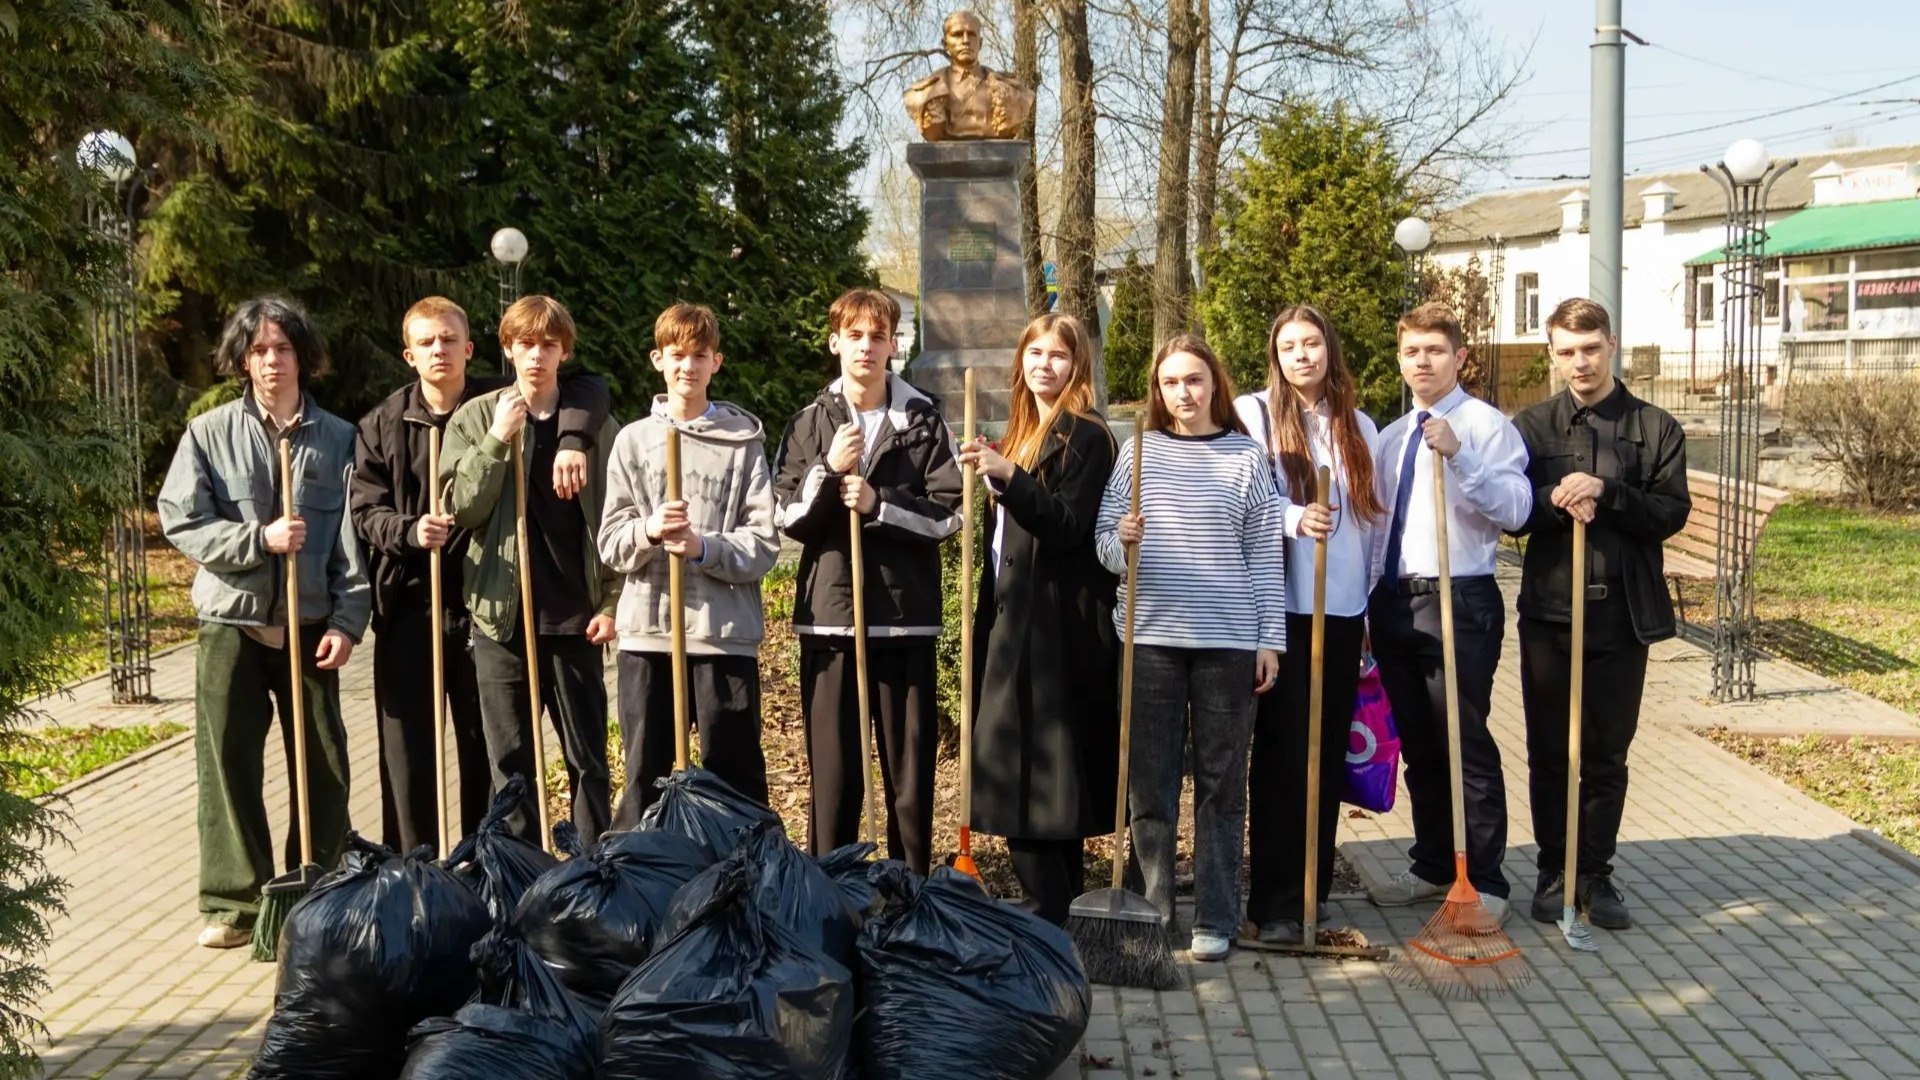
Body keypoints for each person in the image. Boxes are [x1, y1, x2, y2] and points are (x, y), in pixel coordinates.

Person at [351, 296, 609, 854]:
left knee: (541, 754)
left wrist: (572, 439)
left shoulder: (556, 410)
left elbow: (591, 391)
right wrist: (411, 529)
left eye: (448, 340)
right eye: (427, 342)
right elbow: (384, 510)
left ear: (470, 349)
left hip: (537, 611)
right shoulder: (400, 422)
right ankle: (426, 869)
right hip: (438, 606)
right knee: (440, 752)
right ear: (409, 354)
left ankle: (543, 871)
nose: (438, 350)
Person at [158, 296, 370, 949]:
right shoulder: (210, 433)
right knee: (228, 762)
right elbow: (182, 520)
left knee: (325, 764)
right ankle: (234, 902)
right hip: (232, 621)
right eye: (258, 351)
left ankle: (318, 891)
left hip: (309, 627)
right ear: (242, 361)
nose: (270, 361)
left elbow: (351, 544)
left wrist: (348, 619)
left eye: (281, 348)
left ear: (302, 355)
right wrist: (259, 539)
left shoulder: (339, 439)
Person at [1094, 334, 1285, 963]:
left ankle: (1217, 915)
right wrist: (1120, 538)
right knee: (1149, 784)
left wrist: (1269, 640)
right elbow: (1103, 545)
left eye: (1194, 380)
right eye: (1172, 382)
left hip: (1228, 644)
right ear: (1158, 389)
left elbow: (1263, 553)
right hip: (1149, 639)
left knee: (1221, 783)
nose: (1184, 392)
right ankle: (1153, 909)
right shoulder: (1137, 453)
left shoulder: (1246, 458)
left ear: (1214, 385)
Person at [1511, 297, 1689, 931]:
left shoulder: (1654, 427)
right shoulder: (1532, 427)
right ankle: (1554, 870)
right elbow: (1513, 514)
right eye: (1566, 352)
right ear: (1553, 354)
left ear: (1611, 345)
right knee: (1550, 751)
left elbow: (1670, 514)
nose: (1578, 362)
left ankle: (1597, 874)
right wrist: (1555, 500)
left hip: (1621, 617)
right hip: (1550, 616)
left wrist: (1608, 493)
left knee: (1606, 753)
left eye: (1589, 349)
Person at [773, 287, 962, 876]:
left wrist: (880, 503)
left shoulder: (923, 419)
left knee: (909, 778)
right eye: (854, 335)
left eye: (877, 336)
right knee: (834, 774)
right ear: (835, 343)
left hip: (905, 619)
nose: (866, 346)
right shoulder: (810, 422)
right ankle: (830, 890)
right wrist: (829, 472)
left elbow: (950, 512)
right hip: (831, 618)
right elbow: (786, 516)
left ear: (893, 345)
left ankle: (910, 891)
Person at [1365, 302, 1532, 923]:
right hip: (1396, 600)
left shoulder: (1487, 427)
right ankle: (1435, 865)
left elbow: (1516, 511)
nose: (1422, 362)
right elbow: (1381, 527)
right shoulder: (1392, 437)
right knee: (1420, 746)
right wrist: (1366, 606)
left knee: (1462, 741)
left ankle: (1485, 879)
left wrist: (1460, 455)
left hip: (1457, 598)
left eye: (1434, 350)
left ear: (1460, 357)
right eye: (1411, 352)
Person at [441, 295, 622, 844]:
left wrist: (612, 605)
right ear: (508, 349)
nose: (536, 356)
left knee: (587, 760)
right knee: (511, 764)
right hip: (501, 620)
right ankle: (520, 876)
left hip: (575, 620)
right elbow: (462, 507)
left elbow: (618, 517)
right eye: (525, 344)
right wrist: (497, 439)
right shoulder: (475, 417)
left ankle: (594, 874)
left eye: (548, 345)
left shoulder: (594, 426)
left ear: (564, 351)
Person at [958, 313, 1119, 926]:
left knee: (1045, 775)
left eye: (1058, 354)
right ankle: (1051, 909)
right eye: (1034, 353)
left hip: (1057, 625)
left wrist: (1010, 478)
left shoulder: (1086, 434)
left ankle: (1047, 911)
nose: (1044, 364)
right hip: (1013, 614)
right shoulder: (1025, 430)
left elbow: (1066, 525)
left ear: (1077, 365)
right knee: (1013, 764)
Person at [1233, 305, 1384, 946]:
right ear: (1276, 353)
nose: (1302, 355)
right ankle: (1272, 902)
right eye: (1290, 345)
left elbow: (1375, 523)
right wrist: (1296, 517)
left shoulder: (1359, 425)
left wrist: (1368, 602)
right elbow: (1237, 500)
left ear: (1330, 349)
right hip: (1280, 608)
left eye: (1313, 343)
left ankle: (1311, 894)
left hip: (1341, 608)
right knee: (1281, 756)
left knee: (1324, 754)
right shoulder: (1253, 415)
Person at [599, 302, 778, 827]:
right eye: (677, 355)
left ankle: (743, 884)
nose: (688, 367)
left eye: (700, 355)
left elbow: (764, 543)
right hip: (649, 636)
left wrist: (703, 547)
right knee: (644, 777)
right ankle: (640, 889)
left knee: (734, 777)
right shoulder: (633, 441)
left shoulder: (742, 442)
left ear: (716, 362)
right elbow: (610, 542)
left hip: (721, 635)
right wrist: (650, 530)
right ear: (658, 359)